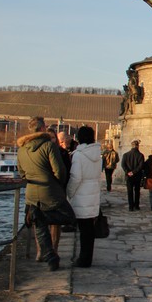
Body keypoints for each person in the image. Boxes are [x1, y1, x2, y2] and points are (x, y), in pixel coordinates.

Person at [17, 116, 74, 271]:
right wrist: (56, 183)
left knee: (40, 227)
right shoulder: (49, 146)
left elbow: (21, 173)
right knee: (69, 217)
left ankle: (51, 258)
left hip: (31, 193)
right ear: (42, 128)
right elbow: (60, 171)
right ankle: (41, 221)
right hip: (51, 191)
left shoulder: (22, 149)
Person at [66, 126, 101, 268]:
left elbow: (75, 177)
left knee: (83, 230)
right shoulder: (97, 154)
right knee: (89, 230)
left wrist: (69, 192)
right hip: (93, 194)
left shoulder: (79, 155)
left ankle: (83, 259)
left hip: (81, 195)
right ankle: (87, 258)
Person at [121, 139, 145, 211]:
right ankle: (136, 205)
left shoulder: (126, 155)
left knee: (130, 191)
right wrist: (134, 172)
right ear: (137, 146)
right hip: (137, 175)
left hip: (129, 176)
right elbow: (140, 166)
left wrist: (128, 172)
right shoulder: (140, 155)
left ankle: (130, 206)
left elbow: (123, 165)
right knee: (137, 191)